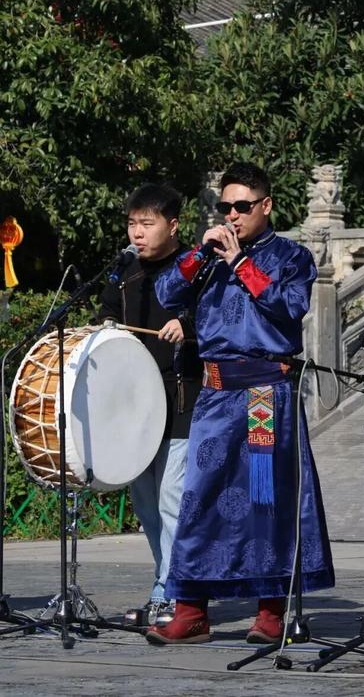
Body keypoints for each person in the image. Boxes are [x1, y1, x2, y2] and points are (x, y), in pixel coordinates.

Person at [145, 161, 334, 645]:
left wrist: (239, 264)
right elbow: (166, 293)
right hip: (213, 394)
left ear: (265, 206)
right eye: (225, 206)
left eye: (242, 206)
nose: (232, 215)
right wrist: (197, 257)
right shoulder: (206, 257)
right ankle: (191, 607)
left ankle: (271, 609)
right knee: (200, 498)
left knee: (263, 497)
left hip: (262, 394)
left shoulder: (289, 256)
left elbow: (289, 307)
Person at [98, 184, 201, 625]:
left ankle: (174, 596)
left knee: (171, 498)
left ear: (173, 225)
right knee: (145, 503)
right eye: (132, 224)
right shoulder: (126, 273)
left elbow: (221, 319)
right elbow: (103, 321)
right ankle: (166, 582)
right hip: (135, 405)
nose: (137, 233)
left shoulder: (197, 266)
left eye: (147, 223)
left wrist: (189, 324)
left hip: (181, 399)